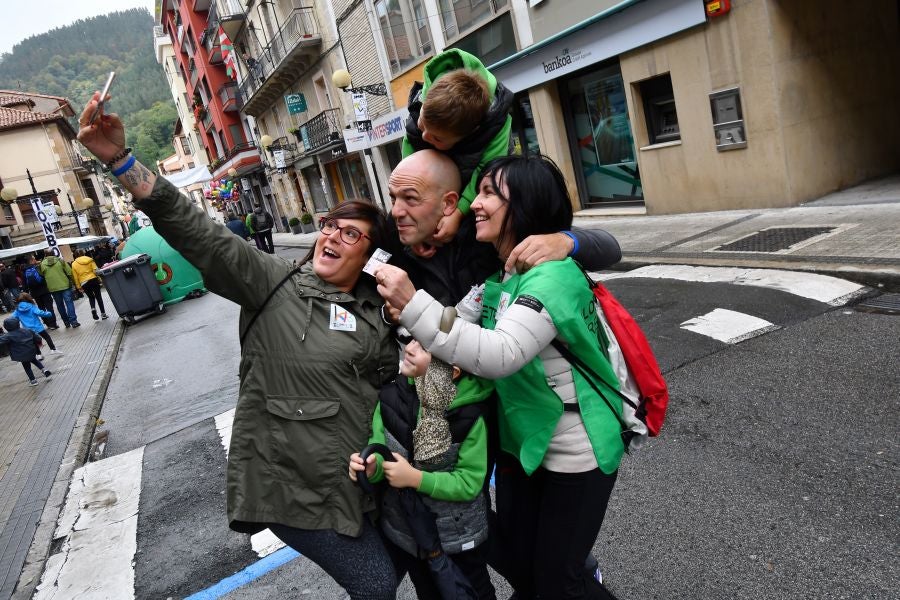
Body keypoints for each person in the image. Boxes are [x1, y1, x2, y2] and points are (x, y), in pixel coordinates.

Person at [77, 90, 400, 600]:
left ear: (371, 255)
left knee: (395, 567)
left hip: (354, 482)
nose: (331, 237)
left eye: (351, 234)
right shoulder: (272, 280)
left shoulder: (375, 310)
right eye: (330, 226)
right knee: (377, 583)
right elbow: (198, 232)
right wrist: (120, 161)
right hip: (289, 486)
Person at [376, 154, 626, 599]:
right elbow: (459, 322)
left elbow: (499, 353)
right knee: (522, 562)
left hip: (574, 446)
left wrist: (414, 303)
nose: (476, 204)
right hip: (518, 441)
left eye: (490, 193)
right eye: (393, 198)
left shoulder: (548, 274)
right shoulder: (503, 269)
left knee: (557, 578)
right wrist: (413, 327)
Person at [350, 338, 495, 599]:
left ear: (452, 370)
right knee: (428, 591)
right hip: (410, 534)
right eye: (412, 340)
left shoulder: (470, 414)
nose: (409, 348)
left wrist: (416, 478)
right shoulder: (388, 397)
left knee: (474, 590)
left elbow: (469, 483)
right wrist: (372, 468)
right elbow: (380, 447)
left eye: (425, 348)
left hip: (458, 538)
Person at [403, 48, 513, 244]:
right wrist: (417, 232)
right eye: (422, 126)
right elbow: (409, 174)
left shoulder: (496, 127)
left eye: (438, 139)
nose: (425, 137)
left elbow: (486, 171)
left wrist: (459, 212)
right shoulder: (423, 107)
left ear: (470, 133)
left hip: (473, 201)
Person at [0, 316, 52, 387]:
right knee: (35, 360)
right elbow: (38, 338)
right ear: (18, 324)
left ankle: (33, 381)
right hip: (31, 351)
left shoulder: (8, 336)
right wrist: (38, 343)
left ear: (6, 327)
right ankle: (44, 370)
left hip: (21, 355)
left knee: (27, 367)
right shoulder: (27, 330)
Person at [39, 253, 80, 327]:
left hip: (53, 288)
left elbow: (41, 275)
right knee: (69, 303)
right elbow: (69, 272)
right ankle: (73, 321)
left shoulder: (42, 264)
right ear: (54, 253)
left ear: (45, 255)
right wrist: (74, 282)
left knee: (60, 305)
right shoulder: (60, 261)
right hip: (65, 285)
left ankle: (66, 322)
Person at [71, 249, 108, 320]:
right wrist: (99, 279)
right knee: (98, 297)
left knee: (91, 297)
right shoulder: (90, 259)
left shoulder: (74, 264)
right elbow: (95, 270)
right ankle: (103, 314)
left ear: (75, 255)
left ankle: (93, 309)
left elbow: (75, 277)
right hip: (93, 279)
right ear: (83, 253)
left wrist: (79, 287)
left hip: (84, 282)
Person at [24, 254, 58, 329]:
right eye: (34, 259)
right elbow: (44, 277)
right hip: (44, 290)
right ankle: (53, 324)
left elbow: (25, 284)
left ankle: (47, 324)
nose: (35, 260)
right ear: (31, 261)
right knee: (49, 307)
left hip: (35, 293)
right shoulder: (38, 267)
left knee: (41, 308)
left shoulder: (25, 270)